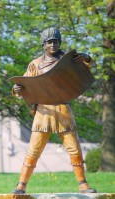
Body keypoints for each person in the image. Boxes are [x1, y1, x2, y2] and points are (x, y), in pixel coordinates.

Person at [12, 27, 97, 194]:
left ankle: (83, 184)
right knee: (34, 149)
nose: (53, 44)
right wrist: (16, 89)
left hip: (63, 109)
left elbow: (86, 67)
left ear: (60, 42)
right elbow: (24, 83)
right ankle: (21, 184)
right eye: (49, 42)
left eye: (55, 41)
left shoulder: (69, 60)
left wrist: (87, 58)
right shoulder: (35, 64)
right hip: (43, 112)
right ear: (43, 44)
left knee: (74, 148)